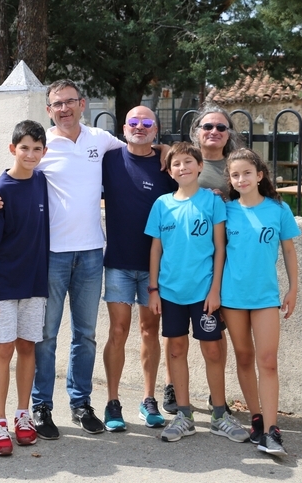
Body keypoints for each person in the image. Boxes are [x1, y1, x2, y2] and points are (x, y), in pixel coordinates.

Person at [0, 80, 129, 438]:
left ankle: (80, 403)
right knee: (44, 336)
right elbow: (10, 179)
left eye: (69, 102)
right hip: (51, 256)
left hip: (92, 252)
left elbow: (141, 151)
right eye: (56, 104)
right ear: (48, 110)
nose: (63, 108)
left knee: (86, 334)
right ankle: (41, 406)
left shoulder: (100, 139)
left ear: (83, 103)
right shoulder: (43, 145)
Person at [146, 142, 249, 444]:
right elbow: (155, 249)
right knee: (176, 349)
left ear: (200, 166)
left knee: (213, 350)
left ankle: (219, 414)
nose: (183, 168)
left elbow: (220, 249)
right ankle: (184, 415)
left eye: (189, 162)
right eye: (176, 163)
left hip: (204, 292)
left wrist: (215, 289)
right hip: (170, 292)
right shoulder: (162, 204)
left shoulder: (213, 201)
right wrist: (153, 289)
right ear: (169, 170)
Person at [161, 103, 244, 416]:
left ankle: (216, 394)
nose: (214, 132)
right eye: (208, 127)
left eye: (221, 127)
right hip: (184, 263)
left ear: (228, 134)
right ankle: (172, 386)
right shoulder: (184, 163)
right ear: (196, 132)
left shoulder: (235, 165)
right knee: (176, 335)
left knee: (215, 331)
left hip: (226, 257)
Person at [0, 120, 49, 456]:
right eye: (24, 148)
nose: (30, 154)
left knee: (28, 348)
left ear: (43, 152)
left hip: (35, 284)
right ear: (12, 149)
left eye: (37, 148)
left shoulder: (42, 181)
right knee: (3, 351)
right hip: (2, 288)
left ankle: (23, 415)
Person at [100, 106, 177, 433]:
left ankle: (148, 399)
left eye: (147, 123)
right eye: (134, 122)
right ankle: (112, 401)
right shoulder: (109, 160)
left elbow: (197, 169)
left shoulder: (167, 165)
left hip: (155, 267)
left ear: (156, 129)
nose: (140, 127)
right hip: (118, 261)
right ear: (124, 127)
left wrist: (170, 150)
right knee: (118, 331)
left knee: (150, 331)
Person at [221, 148, 300, 456]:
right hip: (232, 297)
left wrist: (293, 289)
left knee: (267, 361)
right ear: (230, 179)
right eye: (235, 174)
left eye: (247, 173)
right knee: (243, 356)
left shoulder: (278, 209)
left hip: (266, 297)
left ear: (260, 175)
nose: (241, 179)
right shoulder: (225, 211)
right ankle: (255, 418)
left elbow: (290, 252)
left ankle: (271, 429)